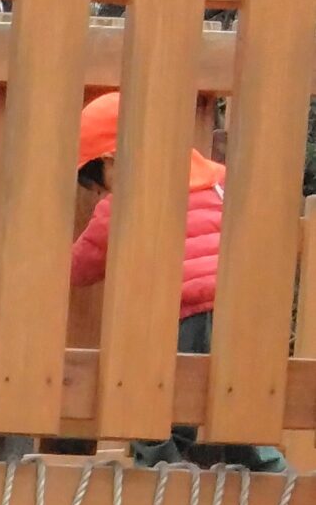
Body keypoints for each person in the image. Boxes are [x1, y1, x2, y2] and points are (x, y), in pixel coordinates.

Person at [69, 93, 287, 474]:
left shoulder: (119, 208)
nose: (100, 193)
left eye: (96, 180)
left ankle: (160, 464)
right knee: (240, 396)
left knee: (156, 392)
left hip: (182, 309)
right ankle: (269, 468)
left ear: (113, 159)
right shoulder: (220, 182)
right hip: (240, 307)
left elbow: (80, 267)